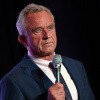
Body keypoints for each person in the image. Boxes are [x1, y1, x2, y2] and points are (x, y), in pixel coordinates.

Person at [0, 3, 95, 100]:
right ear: (23, 40)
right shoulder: (13, 81)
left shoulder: (77, 66)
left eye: (50, 27)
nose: (47, 35)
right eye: (38, 30)